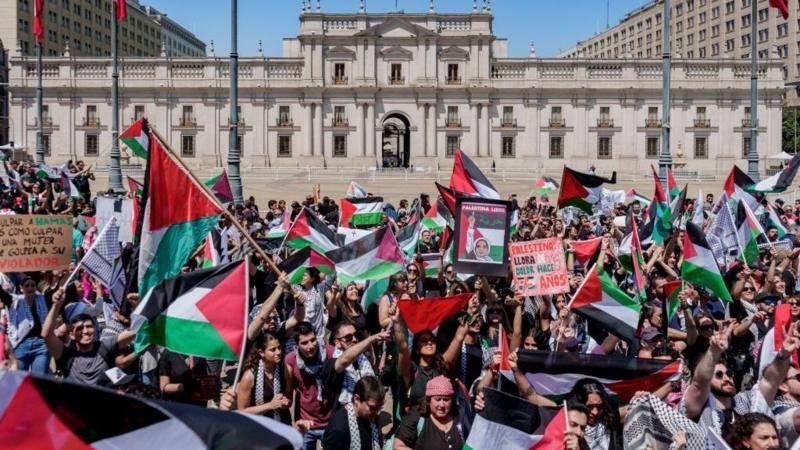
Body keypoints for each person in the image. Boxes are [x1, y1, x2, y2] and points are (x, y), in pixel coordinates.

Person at [41, 289, 136, 386]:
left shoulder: (104, 346)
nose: (85, 331)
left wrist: (137, 306)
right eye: (80, 328)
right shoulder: (66, 355)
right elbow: (46, 334)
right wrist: (56, 305)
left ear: (95, 329)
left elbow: (135, 331)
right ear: (71, 335)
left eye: (89, 327)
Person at [286, 321, 336, 450]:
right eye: (304, 343)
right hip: (306, 424)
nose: (311, 346)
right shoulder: (290, 361)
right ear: (297, 345)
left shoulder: (330, 353)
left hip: (331, 422)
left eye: (313, 340)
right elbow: (288, 394)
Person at [323, 322, 390, 406]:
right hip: (346, 413)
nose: (354, 339)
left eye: (355, 335)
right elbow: (345, 360)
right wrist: (371, 339)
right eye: (348, 337)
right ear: (337, 343)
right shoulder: (333, 362)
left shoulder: (362, 358)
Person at [393, 376, 464, 449]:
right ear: (429, 400)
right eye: (437, 399)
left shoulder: (459, 417)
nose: (442, 405)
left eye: (446, 400)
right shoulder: (416, 416)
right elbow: (398, 446)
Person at [236, 331, 291, 423]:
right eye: (273, 350)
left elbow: (289, 398)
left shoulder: (285, 369)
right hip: (258, 426)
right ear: (261, 352)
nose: (278, 352)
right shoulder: (249, 376)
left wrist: (285, 402)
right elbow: (242, 411)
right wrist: (270, 405)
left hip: (281, 422)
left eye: (279, 348)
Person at [0, 276, 50, 374]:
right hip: (20, 345)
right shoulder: (13, 300)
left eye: (33, 285)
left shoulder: (43, 299)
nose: (30, 288)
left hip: (41, 345)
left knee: (38, 382)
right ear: (21, 288)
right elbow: (1, 293)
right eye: (27, 285)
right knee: (20, 382)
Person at [322, 376, 386, 450]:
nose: (377, 412)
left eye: (380, 407)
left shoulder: (372, 418)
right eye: (373, 408)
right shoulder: (338, 429)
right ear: (356, 399)